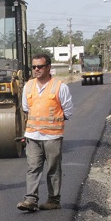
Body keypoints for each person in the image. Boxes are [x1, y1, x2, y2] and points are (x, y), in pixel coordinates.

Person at [17, 53, 73, 212]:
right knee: (32, 167)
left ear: (48, 67)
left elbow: (68, 110)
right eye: (34, 67)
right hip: (32, 135)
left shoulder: (59, 86)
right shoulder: (28, 86)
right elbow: (26, 108)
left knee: (53, 169)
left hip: (52, 136)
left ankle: (54, 200)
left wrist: (54, 123)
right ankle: (30, 200)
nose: (36, 69)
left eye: (40, 66)